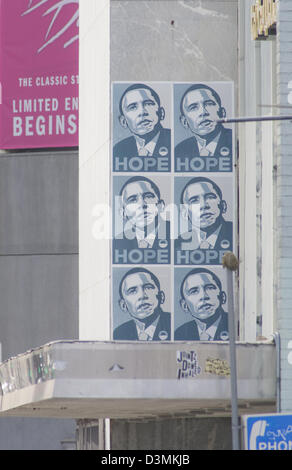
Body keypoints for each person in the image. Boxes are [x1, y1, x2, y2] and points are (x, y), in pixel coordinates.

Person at [113, 83, 171, 160]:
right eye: (133, 107)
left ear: (161, 113)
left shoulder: (173, 142)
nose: (142, 112)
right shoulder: (119, 150)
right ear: (123, 121)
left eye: (148, 104)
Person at [175, 83, 232, 160]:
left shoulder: (233, 141)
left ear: (222, 113)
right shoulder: (179, 150)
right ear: (184, 122)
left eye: (209, 104)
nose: (203, 112)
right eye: (193, 107)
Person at [175, 176, 232, 252]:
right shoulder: (177, 244)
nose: (203, 205)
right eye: (194, 200)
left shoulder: (235, 233)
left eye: (210, 197)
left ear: (223, 206)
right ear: (184, 213)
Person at [113, 267, 171, 341]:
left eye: (148, 287)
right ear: (123, 305)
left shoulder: (173, 327)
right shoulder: (119, 334)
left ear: (161, 297)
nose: (142, 296)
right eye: (132, 291)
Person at [114, 176, 170, 250]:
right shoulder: (117, 243)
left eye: (148, 196)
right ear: (123, 213)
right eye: (132, 200)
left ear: (160, 205)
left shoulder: (177, 236)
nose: (142, 204)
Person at [174, 268, 229, 341]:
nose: (203, 296)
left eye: (209, 288)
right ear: (184, 306)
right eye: (194, 291)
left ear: (222, 297)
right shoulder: (180, 333)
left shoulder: (235, 325)